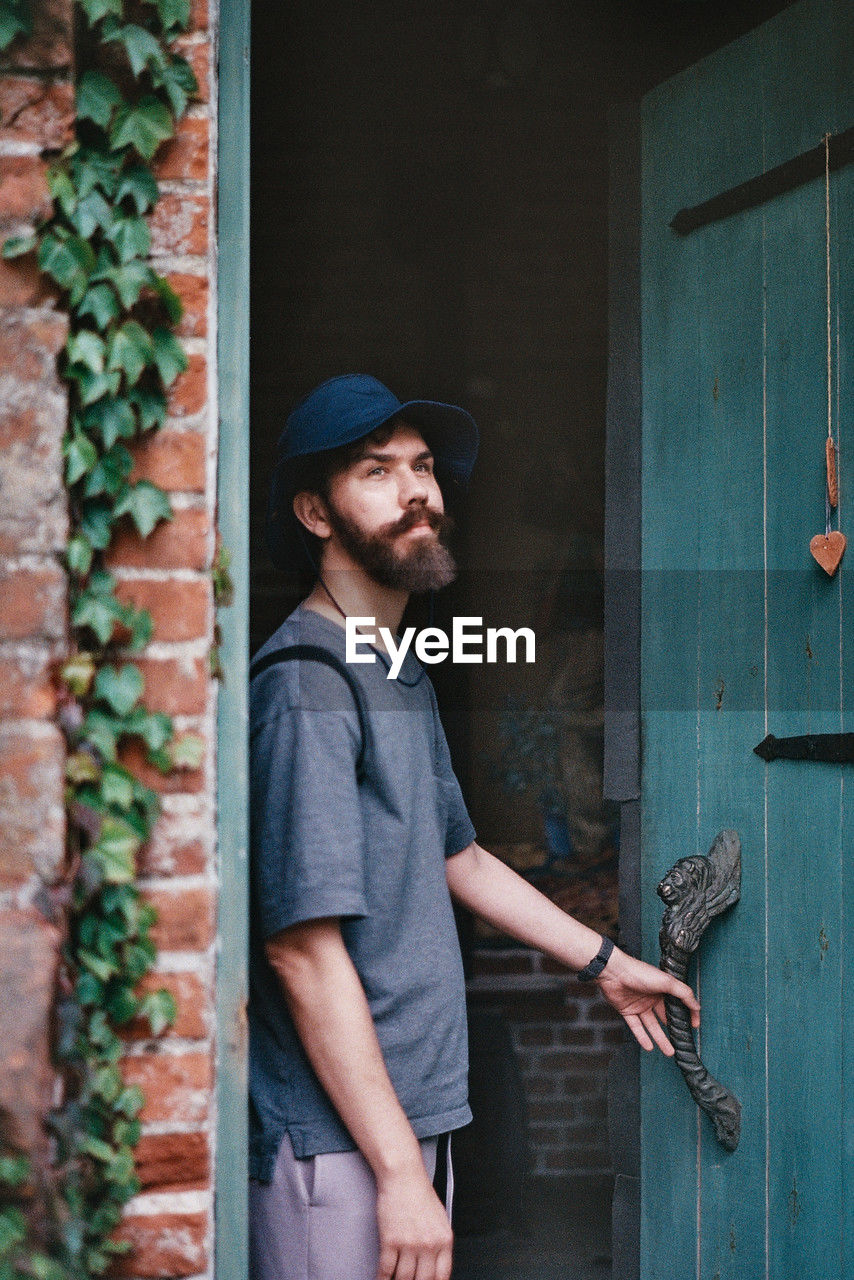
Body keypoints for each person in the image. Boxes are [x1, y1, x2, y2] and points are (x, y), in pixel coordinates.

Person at [248, 375, 700, 1280]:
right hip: (338, 1142)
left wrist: (607, 965)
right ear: (314, 511)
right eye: (376, 471)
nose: (416, 489)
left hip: (409, 1117)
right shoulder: (308, 684)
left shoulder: (396, 670)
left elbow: (460, 854)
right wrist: (395, 1174)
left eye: (423, 467)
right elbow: (301, 949)